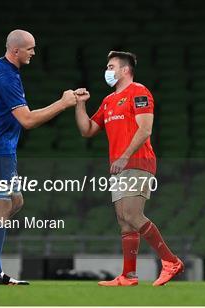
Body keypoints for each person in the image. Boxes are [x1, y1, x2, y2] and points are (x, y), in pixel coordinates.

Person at [0, 29, 85, 285]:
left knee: (15, 203)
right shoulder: (6, 76)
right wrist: (63, 103)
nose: (34, 53)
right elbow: (27, 120)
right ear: (15, 50)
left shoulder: (0, 66)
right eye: (30, 48)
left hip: (0, 145)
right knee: (1, 207)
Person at [75, 51, 184, 287]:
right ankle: (128, 275)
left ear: (125, 70)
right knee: (124, 220)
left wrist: (124, 156)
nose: (108, 71)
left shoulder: (139, 92)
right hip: (119, 166)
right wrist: (80, 105)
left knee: (133, 215)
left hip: (137, 161)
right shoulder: (108, 101)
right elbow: (87, 130)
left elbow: (145, 129)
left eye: (111, 66)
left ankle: (171, 261)